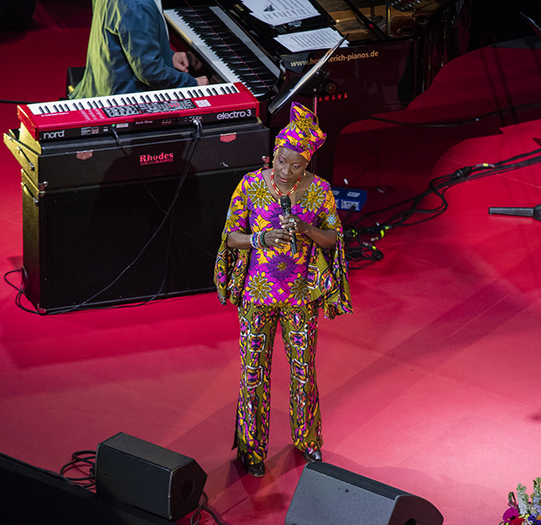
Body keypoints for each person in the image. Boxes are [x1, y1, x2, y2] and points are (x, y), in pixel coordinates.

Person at [214, 102, 352, 477]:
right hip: (257, 296)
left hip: (301, 296)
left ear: (307, 164)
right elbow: (230, 237)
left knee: (304, 369)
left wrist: (307, 228)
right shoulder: (251, 185)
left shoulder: (319, 191)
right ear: (272, 155)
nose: (287, 171)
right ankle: (251, 450)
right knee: (253, 371)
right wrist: (260, 238)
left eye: (297, 166)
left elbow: (332, 239)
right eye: (281, 162)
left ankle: (308, 441)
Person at [69, 0, 208, 99]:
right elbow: (151, 73)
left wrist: (167, 55)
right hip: (123, 98)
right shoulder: (138, 5)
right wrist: (192, 83)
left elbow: (123, 37)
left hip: (98, 84)